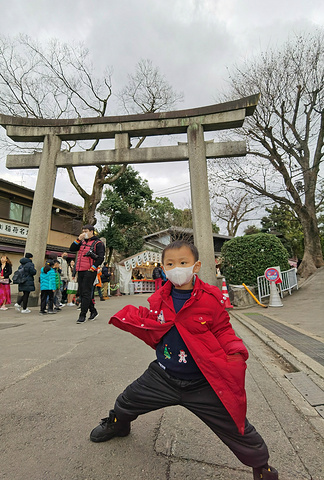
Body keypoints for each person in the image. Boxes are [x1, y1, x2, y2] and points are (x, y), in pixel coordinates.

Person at [90, 240, 278, 480]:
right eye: (170, 264)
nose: (177, 268)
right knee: (127, 400)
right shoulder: (160, 297)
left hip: (203, 381)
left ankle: (261, 466)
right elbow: (154, 319)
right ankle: (118, 424)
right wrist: (131, 316)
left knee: (236, 424)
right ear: (164, 268)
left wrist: (235, 351)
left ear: (195, 266)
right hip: (162, 375)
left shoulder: (210, 298)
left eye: (183, 263)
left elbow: (222, 329)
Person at [69, 225, 105, 324]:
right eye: (83, 231)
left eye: (86, 231)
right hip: (80, 270)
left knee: (86, 292)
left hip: (90, 270)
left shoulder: (98, 243)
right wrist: (78, 239)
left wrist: (93, 267)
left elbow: (101, 257)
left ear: (92, 232)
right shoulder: (82, 242)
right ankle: (93, 311)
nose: (84, 233)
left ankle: (82, 315)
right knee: (82, 292)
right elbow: (72, 249)